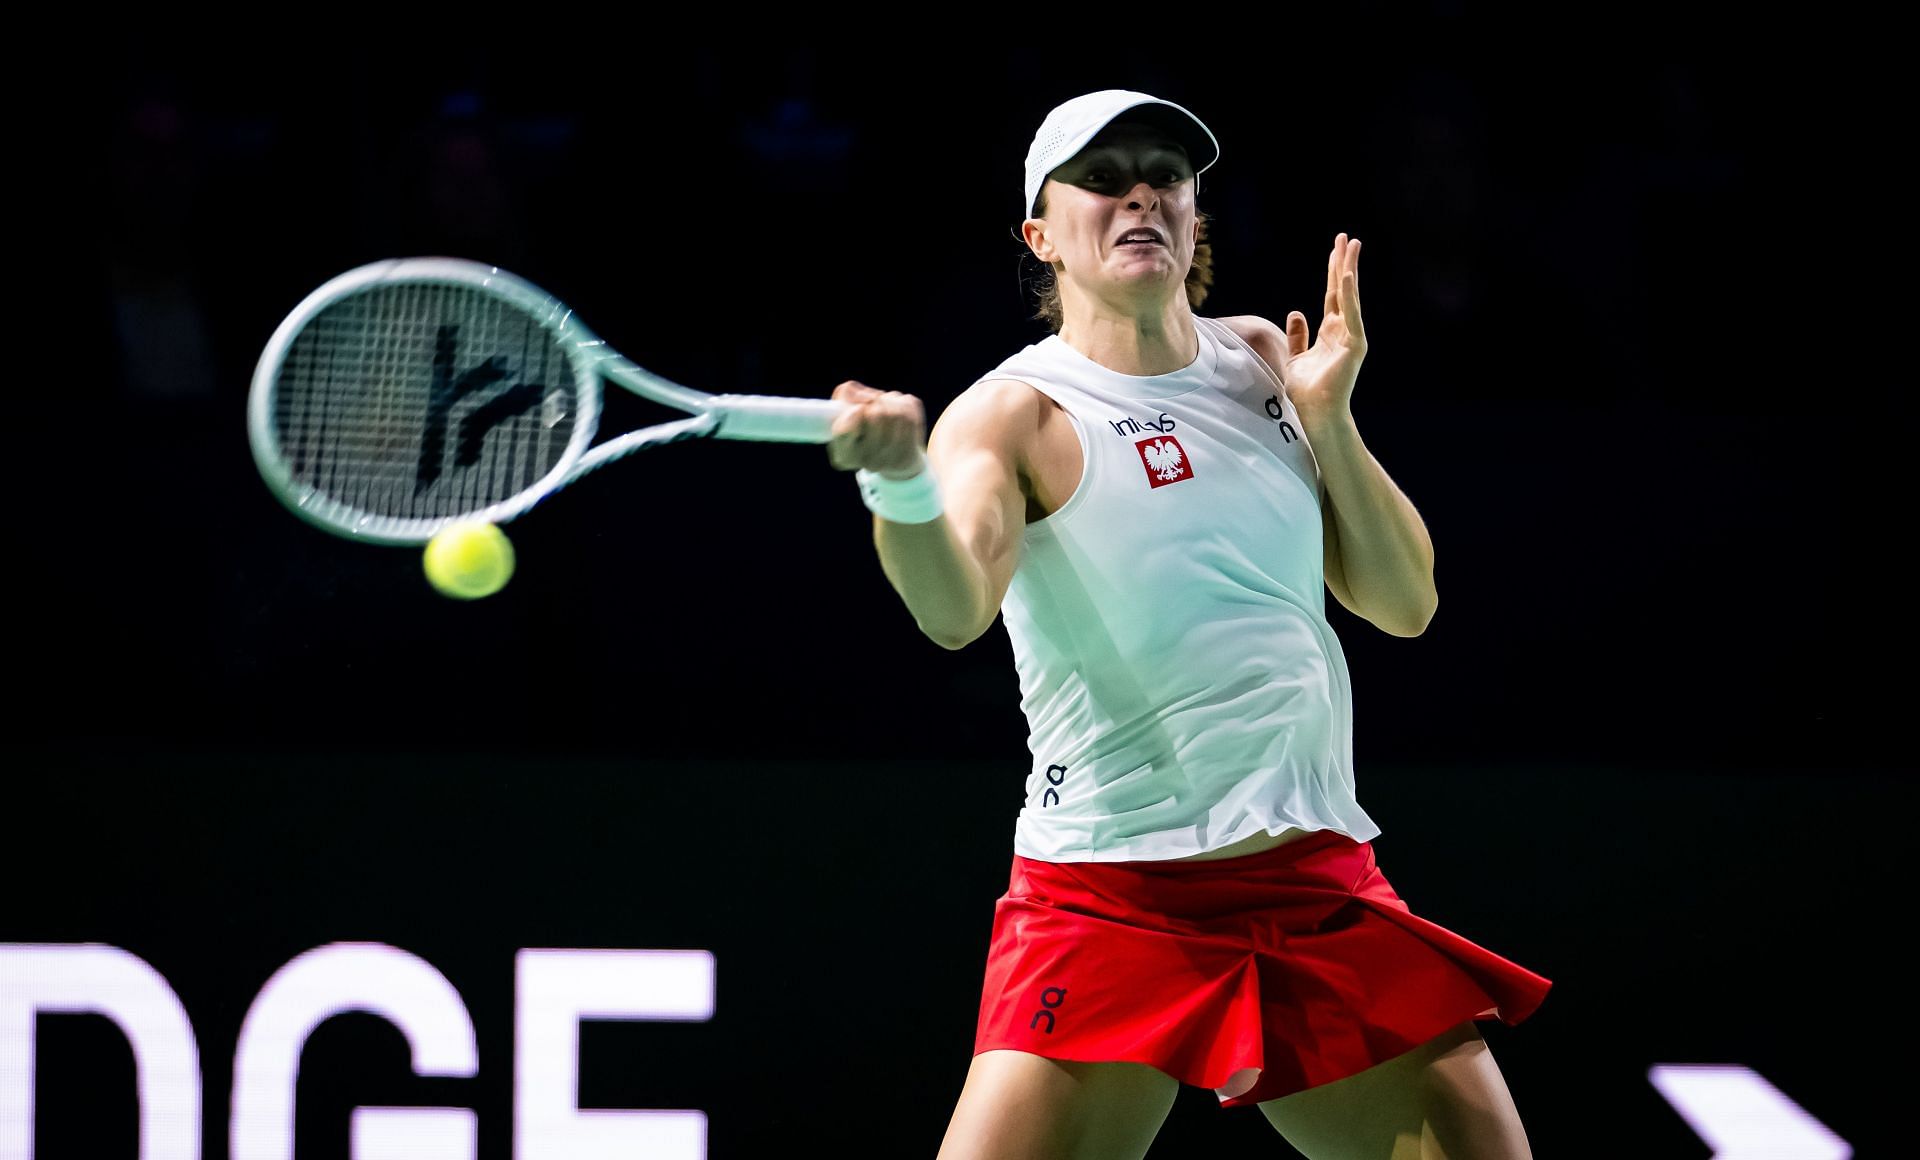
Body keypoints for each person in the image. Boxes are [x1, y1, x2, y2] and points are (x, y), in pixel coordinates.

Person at [827, 89, 1551, 1160]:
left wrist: (1330, 420)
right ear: (1040, 234)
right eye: (1103, 177)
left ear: (1196, 214)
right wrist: (899, 486)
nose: (1140, 196)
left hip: (1312, 874)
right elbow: (951, 609)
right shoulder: (1013, 413)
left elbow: (1405, 603)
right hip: (1111, 893)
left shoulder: (1265, 359)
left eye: (1165, 175)